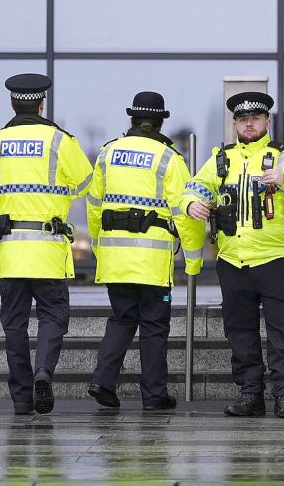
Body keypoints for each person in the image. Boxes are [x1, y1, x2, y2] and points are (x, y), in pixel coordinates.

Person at [182, 91, 284, 419]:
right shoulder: (221, 159)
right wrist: (191, 204)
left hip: (273, 259)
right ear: (234, 124)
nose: (249, 124)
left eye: (255, 119)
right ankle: (250, 395)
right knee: (239, 332)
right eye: (243, 120)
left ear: (267, 122)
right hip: (232, 260)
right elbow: (194, 187)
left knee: (281, 331)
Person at [0, 73, 93, 415]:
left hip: (11, 252)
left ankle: (21, 399)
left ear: (13, 102)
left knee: (13, 325)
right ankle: (43, 371)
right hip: (47, 249)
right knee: (53, 316)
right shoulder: (60, 141)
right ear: (41, 102)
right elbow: (85, 181)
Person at [86, 91, 205, 411]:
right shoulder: (170, 158)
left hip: (115, 257)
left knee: (122, 319)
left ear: (133, 119)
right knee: (154, 327)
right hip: (152, 261)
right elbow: (184, 210)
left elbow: (94, 205)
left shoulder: (108, 152)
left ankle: (102, 381)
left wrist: (98, 246)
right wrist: (193, 259)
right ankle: (153, 396)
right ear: (161, 121)